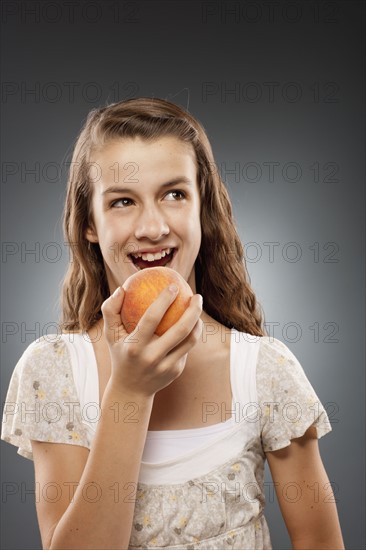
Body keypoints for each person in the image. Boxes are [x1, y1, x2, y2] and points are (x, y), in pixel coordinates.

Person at [1, 97, 344, 549]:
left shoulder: (265, 369)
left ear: (203, 209)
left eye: (174, 194)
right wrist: (130, 391)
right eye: (123, 201)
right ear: (89, 223)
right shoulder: (54, 372)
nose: (152, 226)